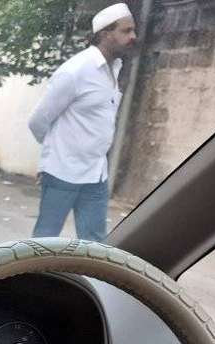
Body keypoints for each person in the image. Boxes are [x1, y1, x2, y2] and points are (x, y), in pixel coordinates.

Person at [28, 3, 137, 242]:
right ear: (105, 34)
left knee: (95, 244)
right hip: (62, 172)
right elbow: (38, 120)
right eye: (126, 31)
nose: (133, 37)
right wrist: (53, 154)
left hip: (96, 174)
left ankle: (93, 281)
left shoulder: (115, 68)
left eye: (133, 31)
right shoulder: (75, 71)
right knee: (45, 241)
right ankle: (35, 280)